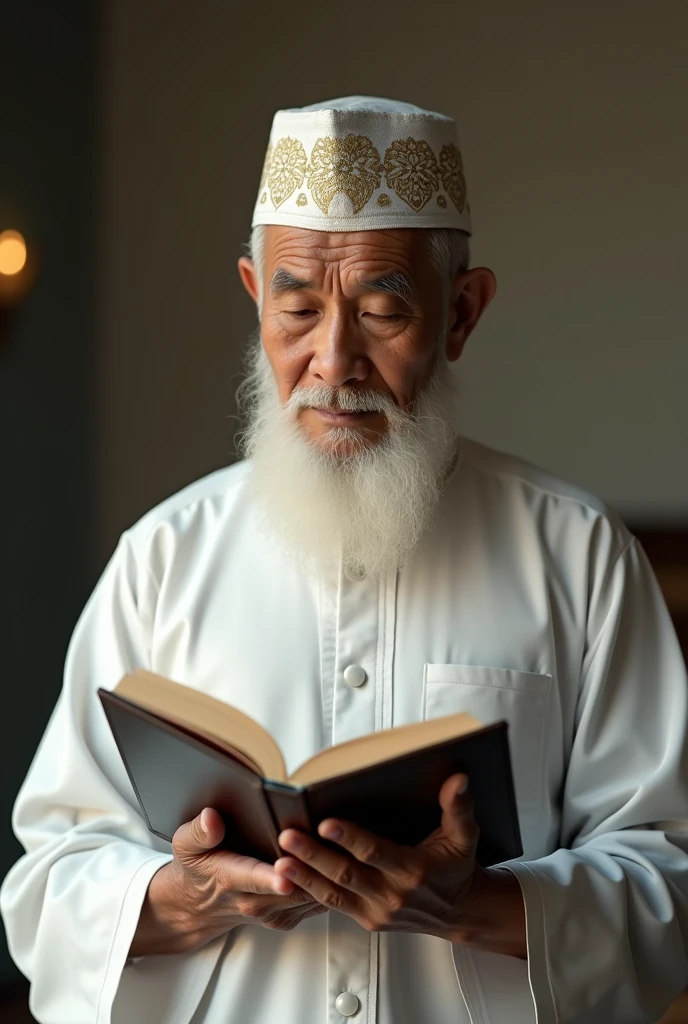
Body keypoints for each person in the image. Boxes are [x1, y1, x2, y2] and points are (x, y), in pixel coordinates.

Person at [2, 95, 688, 1024]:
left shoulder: (576, 553)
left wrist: (475, 905)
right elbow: (48, 886)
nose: (334, 361)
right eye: (297, 310)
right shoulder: (164, 556)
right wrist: (190, 895)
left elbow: (669, 878)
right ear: (255, 298)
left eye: (380, 311)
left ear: (462, 313)